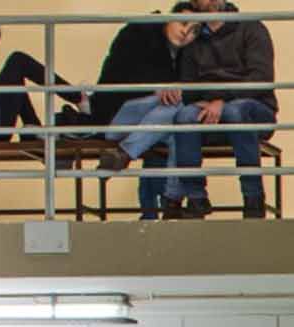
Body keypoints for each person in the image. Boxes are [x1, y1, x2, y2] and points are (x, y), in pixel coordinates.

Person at [170, 0, 275, 219]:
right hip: (210, 108)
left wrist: (222, 100)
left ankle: (253, 198)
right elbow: (187, 86)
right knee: (184, 116)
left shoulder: (251, 28)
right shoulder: (194, 39)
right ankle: (196, 198)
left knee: (235, 111)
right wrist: (205, 100)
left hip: (255, 107)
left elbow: (261, 78)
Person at [90, 9, 194, 220]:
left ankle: (160, 206)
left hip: (147, 128)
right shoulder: (139, 32)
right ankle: (169, 201)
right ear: (169, 17)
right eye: (183, 23)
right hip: (116, 116)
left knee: (177, 129)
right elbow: (122, 75)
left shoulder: (186, 56)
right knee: (176, 107)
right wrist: (159, 89)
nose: (185, 32)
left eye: (193, 31)